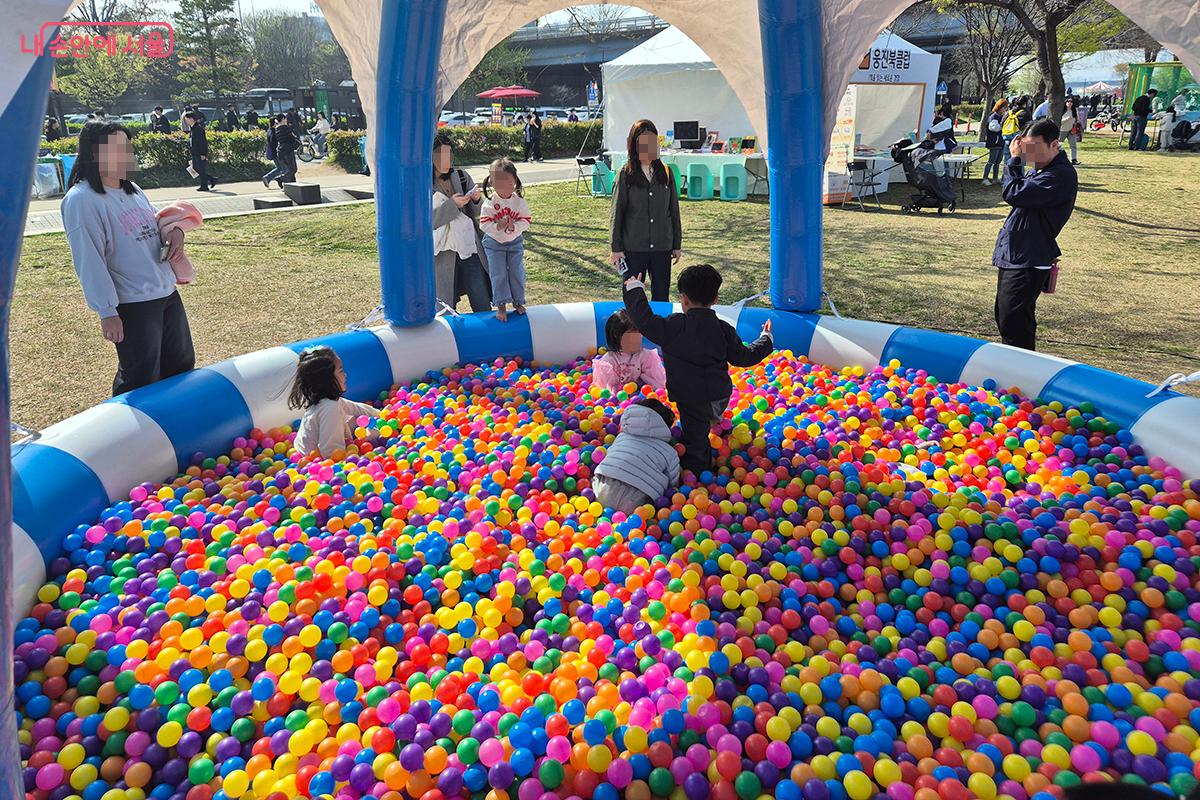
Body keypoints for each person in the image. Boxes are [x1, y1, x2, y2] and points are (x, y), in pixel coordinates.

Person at [61, 122, 195, 395]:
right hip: (133, 304)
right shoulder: (82, 200)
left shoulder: (132, 189)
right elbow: (89, 260)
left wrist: (177, 232)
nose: (124, 155)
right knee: (141, 377)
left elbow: (159, 225)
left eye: (126, 148)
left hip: (166, 293)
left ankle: (173, 429)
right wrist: (107, 311)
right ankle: (132, 435)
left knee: (181, 365)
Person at [622, 264, 773, 475]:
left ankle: (699, 472)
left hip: (691, 400)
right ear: (715, 299)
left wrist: (635, 289)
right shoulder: (723, 330)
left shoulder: (675, 326)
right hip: (719, 397)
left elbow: (644, 320)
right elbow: (744, 357)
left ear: (683, 299)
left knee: (696, 441)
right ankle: (711, 421)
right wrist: (766, 339)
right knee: (705, 416)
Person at [992, 119, 1077, 351]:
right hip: (1017, 253)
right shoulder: (1041, 170)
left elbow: (1013, 193)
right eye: (1025, 147)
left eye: (1033, 148)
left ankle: (1020, 374)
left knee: (1015, 321)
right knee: (1005, 315)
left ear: (1054, 145)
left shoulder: (1059, 175)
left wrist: (1015, 160)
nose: (1028, 154)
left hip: (1028, 258)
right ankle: (1013, 369)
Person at [609, 119, 683, 302]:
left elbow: (673, 210)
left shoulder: (666, 173)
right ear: (634, 145)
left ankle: (659, 331)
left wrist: (676, 243)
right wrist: (615, 248)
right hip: (634, 248)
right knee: (633, 296)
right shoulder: (625, 174)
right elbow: (616, 213)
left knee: (661, 296)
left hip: (661, 247)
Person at [431, 133, 491, 312]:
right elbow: (427, 221)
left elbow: (475, 213)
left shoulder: (462, 176)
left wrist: (475, 200)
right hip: (443, 254)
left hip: (469, 247)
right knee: (445, 308)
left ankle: (486, 336)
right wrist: (452, 205)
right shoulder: (422, 182)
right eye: (440, 155)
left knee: (481, 302)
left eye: (448, 155)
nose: (445, 160)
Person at [289, 346, 381, 459]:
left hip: (305, 449)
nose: (345, 375)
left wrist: (381, 414)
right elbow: (331, 453)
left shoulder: (325, 400)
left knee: (361, 418)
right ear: (327, 379)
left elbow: (356, 408)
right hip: (315, 460)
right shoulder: (329, 407)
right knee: (375, 432)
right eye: (341, 371)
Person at [591, 398, 680, 514]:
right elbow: (673, 482)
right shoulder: (669, 451)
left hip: (602, 488)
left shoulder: (621, 438)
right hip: (639, 499)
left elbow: (612, 457)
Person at [479, 158, 531, 322]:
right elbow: (484, 225)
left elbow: (526, 220)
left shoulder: (519, 202)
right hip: (494, 244)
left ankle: (518, 301)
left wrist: (514, 227)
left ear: (514, 181)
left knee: (516, 271)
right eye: (497, 183)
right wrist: (498, 226)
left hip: (514, 243)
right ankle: (501, 305)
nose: (502, 187)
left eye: (506, 182)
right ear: (491, 183)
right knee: (498, 274)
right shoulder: (489, 203)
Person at [592, 309, 666, 392]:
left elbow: (658, 384)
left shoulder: (646, 357)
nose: (638, 338)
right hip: (619, 401)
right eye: (632, 335)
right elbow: (606, 390)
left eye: (639, 333)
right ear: (617, 335)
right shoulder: (609, 361)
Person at [185, 111, 216, 192]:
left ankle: (204, 186)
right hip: (194, 152)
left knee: (201, 169)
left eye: (187, 119)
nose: (186, 121)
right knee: (196, 169)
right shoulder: (193, 128)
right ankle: (212, 179)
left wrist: (203, 153)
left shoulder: (198, 129)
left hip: (199, 152)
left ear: (191, 119)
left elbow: (203, 142)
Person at [982, 98, 1008, 186]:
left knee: (998, 161)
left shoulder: (1002, 116)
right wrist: (1003, 126)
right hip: (994, 142)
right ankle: (985, 178)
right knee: (991, 160)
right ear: (999, 107)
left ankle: (995, 178)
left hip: (1001, 142)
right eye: (1004, 107)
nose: (1005, 109)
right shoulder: (993, 117)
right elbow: (994, 128)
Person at [273, 113, 300, 186]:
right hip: (288, 151)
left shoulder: (277, 128)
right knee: (293, 169)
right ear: (282, 119)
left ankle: (292, 185)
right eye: (285, 119)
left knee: (289, 169)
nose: (286, 120)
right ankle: (280, 178)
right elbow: (292, 138)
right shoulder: (285, 128)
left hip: (281, 151)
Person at [1061, 96, 1082, 164]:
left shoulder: (1074, 111)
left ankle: (1074, 159)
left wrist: (1078, 121)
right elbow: (1059, 122)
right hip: (1063, 130)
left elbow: (1078, 120)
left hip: (1071, 131)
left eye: (1071, 102)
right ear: (1065, 102)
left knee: (1073, 145)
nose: (1070, 103)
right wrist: (1067, 119)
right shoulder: (1062, 111)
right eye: (1068, 101)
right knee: (1058, 144)